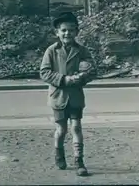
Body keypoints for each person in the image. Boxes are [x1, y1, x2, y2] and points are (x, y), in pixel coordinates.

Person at [40, 11, 96, 177]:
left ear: (77, 32)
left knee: (76, 127)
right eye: (63, 30)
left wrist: (83, 76)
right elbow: (44, 72)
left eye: (71, 30)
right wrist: (64, 80)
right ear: (57, 32)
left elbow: (92, 70)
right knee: (61, 129)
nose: (67, 33)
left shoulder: (82, 51)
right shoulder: (51, 51)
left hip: (76, 97)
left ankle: (79, 161)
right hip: (58, 97)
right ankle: (59, 152)